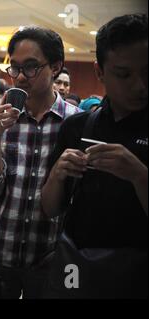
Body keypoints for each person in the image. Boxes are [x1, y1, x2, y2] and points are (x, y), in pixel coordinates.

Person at [42, 13, 147, 298]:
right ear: (99, 72)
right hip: (75, 264)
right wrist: (57, 173)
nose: (140, 86)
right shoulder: (78, 125)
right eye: (124, 74)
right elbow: (50, 209)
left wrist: (139, 175)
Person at [0, 26, 82, 298]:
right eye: (15, 68)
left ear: (56, 66)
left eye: (32, 67)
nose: (21, 76)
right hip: (2, 246)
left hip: (50, 253)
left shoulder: (75, 122)